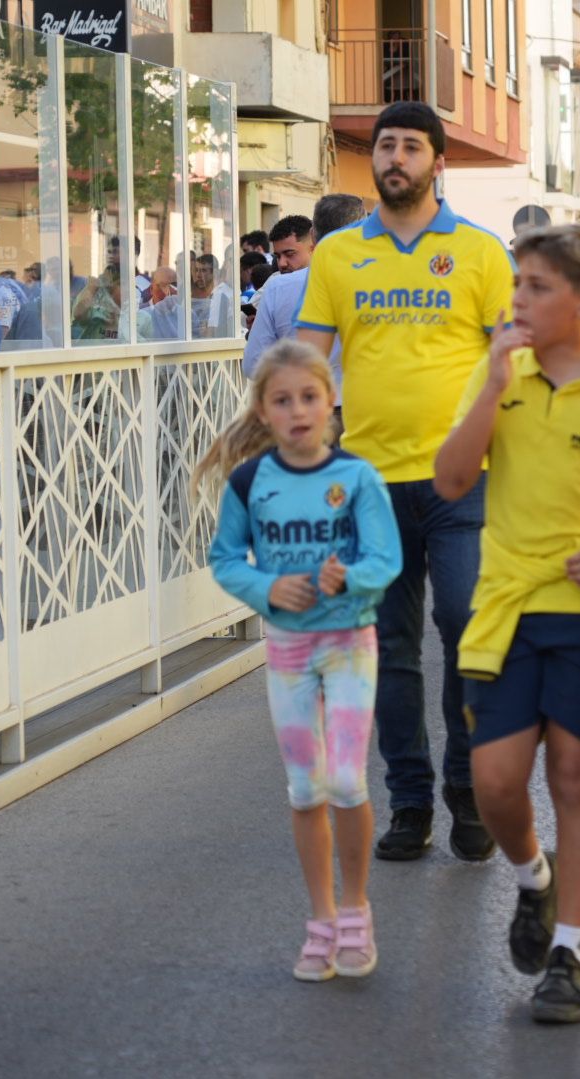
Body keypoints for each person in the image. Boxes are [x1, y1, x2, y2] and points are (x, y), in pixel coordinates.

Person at [296, 101, 514, 863]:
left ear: (437, 161)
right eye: (386, 146)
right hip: (371, 482)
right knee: (389, 646)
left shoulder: (483, 253)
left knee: (463, 627)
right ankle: (411, 801)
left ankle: (468, 789)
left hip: (463, 480)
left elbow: (507, 362)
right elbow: (309, 359)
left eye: (410, 146)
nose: (395, 157)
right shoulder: (338, 256)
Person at [432, 225, 580, 1025]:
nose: (518, 299)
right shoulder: (500, 376)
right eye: (518, 283)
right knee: (496, 784)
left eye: (538, 286)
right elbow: (451, 481)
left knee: (575, 780)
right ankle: (533, 880)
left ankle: (570, 957)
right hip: (507, 607)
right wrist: (489, 385)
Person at [200, 339, 402, 983]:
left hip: (348, 644)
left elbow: (385, 559)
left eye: (309, 397)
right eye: (282, 400)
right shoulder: (249, 482)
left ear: (330, 400)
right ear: (263, 409)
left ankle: (355, 913)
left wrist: (353, 580)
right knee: (305, 788)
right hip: (287, 649)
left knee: (346, 781)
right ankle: (318, 921)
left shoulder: (358, 479)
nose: (298, 411)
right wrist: (265, 589)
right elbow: (227, 558)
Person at [244, 196, 365, 433]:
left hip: (305, 419)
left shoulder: (278, 288)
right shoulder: (384, 283)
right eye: (279, 256)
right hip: (366, 415)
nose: (282, 263)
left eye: (289, 254)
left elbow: (253, 365)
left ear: (313, 236)